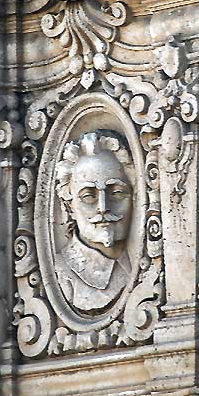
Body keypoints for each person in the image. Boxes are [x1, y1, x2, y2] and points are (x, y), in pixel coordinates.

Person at [54, 130, 134, 312]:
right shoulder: (62, 275)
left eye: (117, 193)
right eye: (89, 196)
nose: (103, 207)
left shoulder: (141, 265)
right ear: (69, 207)